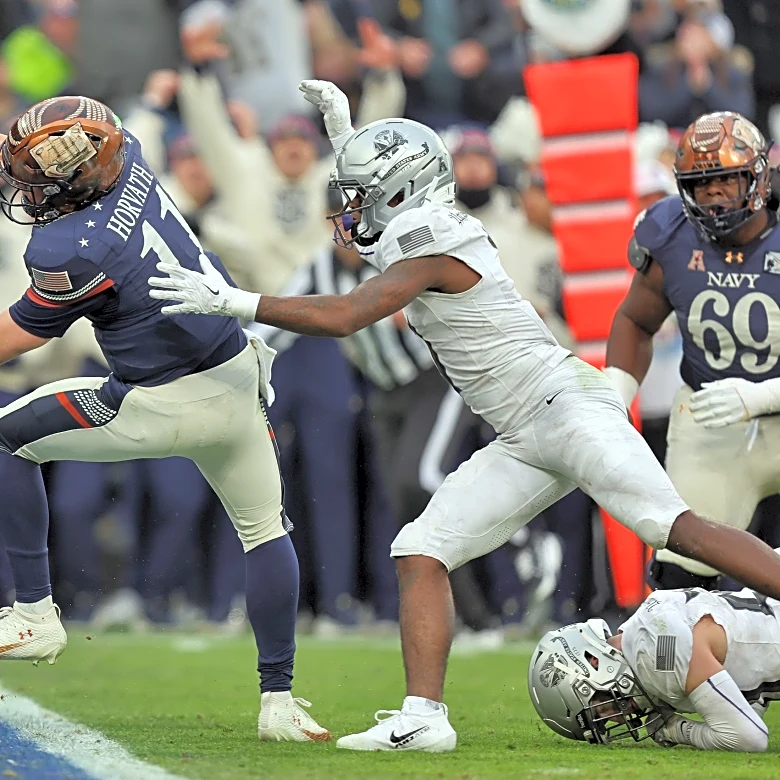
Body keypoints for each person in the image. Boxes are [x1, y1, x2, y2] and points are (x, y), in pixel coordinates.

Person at [148, 80, 780, 753]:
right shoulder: (418, 222)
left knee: (675, 529)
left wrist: (230, 301)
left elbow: (345, 313)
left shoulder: (434, 237)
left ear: (401, 191)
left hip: (564, 407)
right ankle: (424, 716)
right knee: (420, 549)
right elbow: (379, 217)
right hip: (524, 432)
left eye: (363, 191)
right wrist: (344, 136)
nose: (350, 205)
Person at [0, 96, 329, 743]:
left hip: (161, 402)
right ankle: (279, 702)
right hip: (237, 377)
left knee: (8, 437)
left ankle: (35, 611)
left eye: (37, 177)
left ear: (76, 178)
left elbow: (18, 335)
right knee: (265, 532)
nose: (27, 189)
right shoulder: (133, 163)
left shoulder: (72, 247)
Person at [604, 110, 780, 591]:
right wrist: (614, 397)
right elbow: (636, 320)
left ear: (758, 178)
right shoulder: (671, 234)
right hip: (710, 418)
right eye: (702, 185)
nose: (714, 196)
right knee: (676, 580)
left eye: (726, 180)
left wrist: (759, 398)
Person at [528, 582, 779, 751]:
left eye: (600, 707)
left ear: (593, 661)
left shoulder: (657, 656)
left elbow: (749, 737)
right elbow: (748, 701)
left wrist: (675, 730)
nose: (617, 716)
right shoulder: (643, 629)